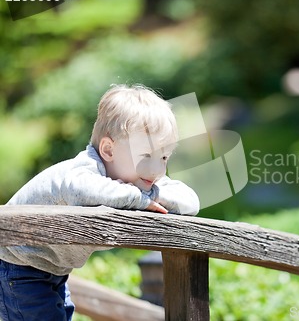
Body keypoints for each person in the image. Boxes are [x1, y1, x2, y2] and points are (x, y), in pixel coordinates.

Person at [0, 84, 200, 321]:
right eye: (146, 155)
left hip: (51, 271)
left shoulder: (142, 179)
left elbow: (190, 201)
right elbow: (86, 190)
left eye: (164, 157)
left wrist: (154, 196)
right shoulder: (83, 171)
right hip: (16, 265)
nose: (157, 169)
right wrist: (139, 199)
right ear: (108, 149)